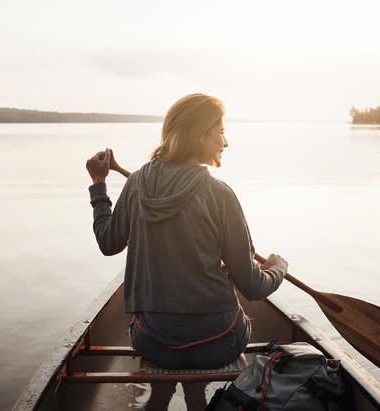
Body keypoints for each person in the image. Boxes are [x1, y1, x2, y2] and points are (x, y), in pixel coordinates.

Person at [85, 93, 288, 410]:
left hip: (154, 343)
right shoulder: (220, 194)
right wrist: (278, 269)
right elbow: (252, 286)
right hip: (218, 343)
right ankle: (195, 396)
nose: (226, 142)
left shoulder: (136, 184)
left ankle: (167, 396)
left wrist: (99, 184)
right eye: (220, 131)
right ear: (200, 136)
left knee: (163, 339)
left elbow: (108, 242)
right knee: (233, 320)